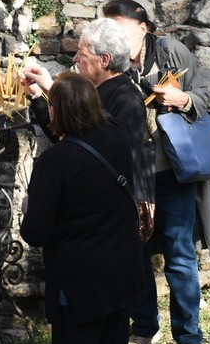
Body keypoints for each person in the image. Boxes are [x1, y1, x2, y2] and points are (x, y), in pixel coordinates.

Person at [103, 0, 210, 344]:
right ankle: (144, 328)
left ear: (143, 28)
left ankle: (189, 339)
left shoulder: (170, 51)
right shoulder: (109, 59)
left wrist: (182, 98)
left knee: (179, 255)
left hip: (172, 170)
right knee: (135, 254)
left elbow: (206, 93)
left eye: (121, 28)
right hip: (131, 174)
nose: (115, 36)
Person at [20, 72, 143, 344]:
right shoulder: (116, 135)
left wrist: (29, 208)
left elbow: (35, 232)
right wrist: (55, 91)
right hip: (120, 275)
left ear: (57, 112)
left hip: (79, 288)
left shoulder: (55, 163)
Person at [22, 18, 154, 226]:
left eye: (82, 54)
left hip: (109, 213)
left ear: (104, 60)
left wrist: (55, 89)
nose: (75, 59)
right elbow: (65, 136)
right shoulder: (95, 91)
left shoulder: (126, 97)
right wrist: (38, 96)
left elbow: (119, 156)